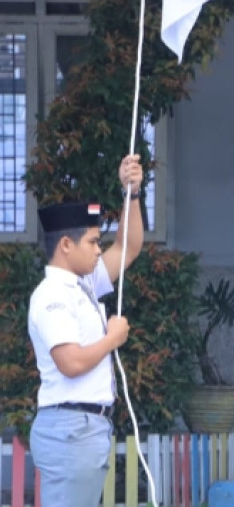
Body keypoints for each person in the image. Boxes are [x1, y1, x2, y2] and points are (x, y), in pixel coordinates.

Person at [27, 154, 145, 507]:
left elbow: (128, 247)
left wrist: (133, 194)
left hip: (81, 429)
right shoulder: (53, 294)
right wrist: (111, 340)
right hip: (70, 429)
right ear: (66, 245)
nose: (99, 250)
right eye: (93, 242)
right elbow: (71, 362)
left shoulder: (83, 284)